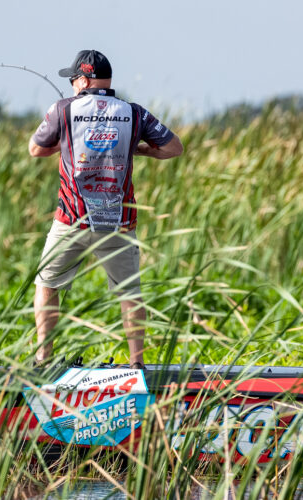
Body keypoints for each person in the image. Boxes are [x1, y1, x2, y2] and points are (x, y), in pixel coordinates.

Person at [29, 49, 184, 369]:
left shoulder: (62, 110)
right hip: (118, 222)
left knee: (47, 283)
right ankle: (137, 363)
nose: (73, 85)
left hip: (71, 220)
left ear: (84, 80)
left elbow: (35, 150)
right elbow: (173, 148)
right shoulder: (134, 112)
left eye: (74, 80)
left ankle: (43, 358)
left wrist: (65, 139)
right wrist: (138, 150)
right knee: (130, 293)